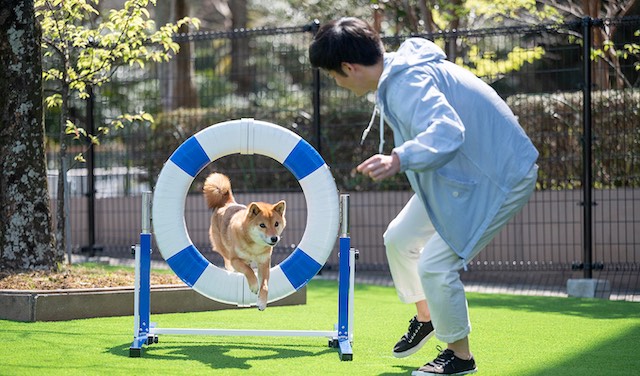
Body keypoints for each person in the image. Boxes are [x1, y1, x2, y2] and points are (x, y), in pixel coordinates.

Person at [309, 17, 539, 375]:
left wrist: (400, 158)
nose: (337, 84)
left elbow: (448, 132)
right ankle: (427, 316)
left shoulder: (406, 83)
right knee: (400, 239)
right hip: (463, 174)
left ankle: (460, 357)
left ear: (348, 67)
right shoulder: (400, 74)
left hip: (501, 176)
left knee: (435, 264)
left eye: (334, 77)